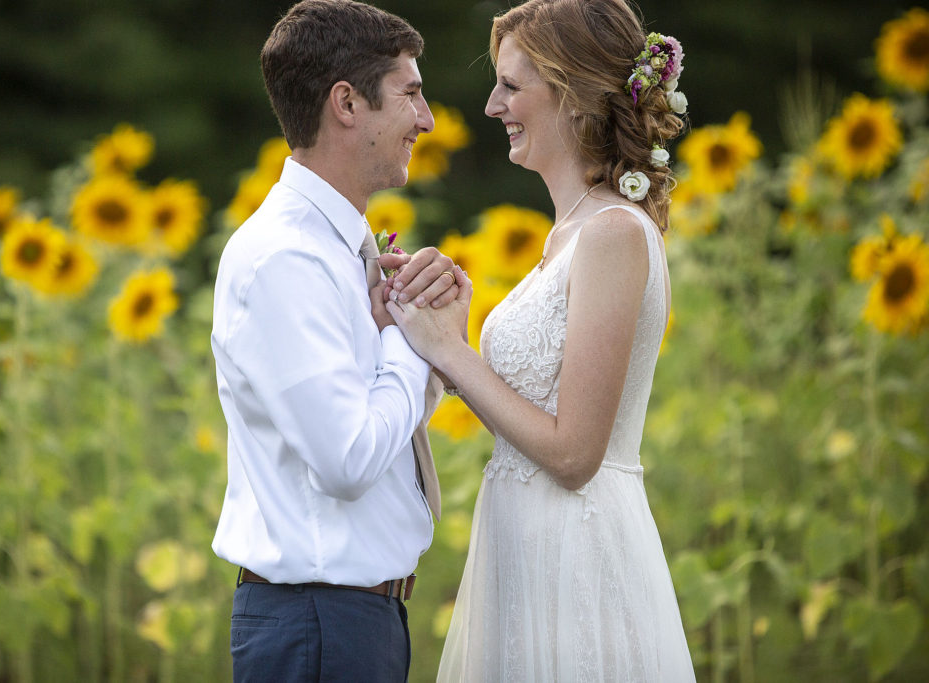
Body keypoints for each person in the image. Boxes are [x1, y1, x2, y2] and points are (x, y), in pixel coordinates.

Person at [385, 0, 696, 679]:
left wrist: (451, 352)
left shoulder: (613, 234)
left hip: (576, 557)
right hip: (524, 544)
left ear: (575, 95)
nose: (493, 105)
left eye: (511, 86)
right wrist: (444, 332)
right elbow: (527, 408)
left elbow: (576, 451)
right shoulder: (567, 236)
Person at [209, 1, 465, 679]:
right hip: (319, 628)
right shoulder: (287, 259)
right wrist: (410, 342)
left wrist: (417, 340)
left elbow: (374, 435)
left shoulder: (334, 248)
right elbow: (348, 459)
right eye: (410, 93)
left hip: (348, 622)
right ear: (347, 103)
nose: (428, 118)